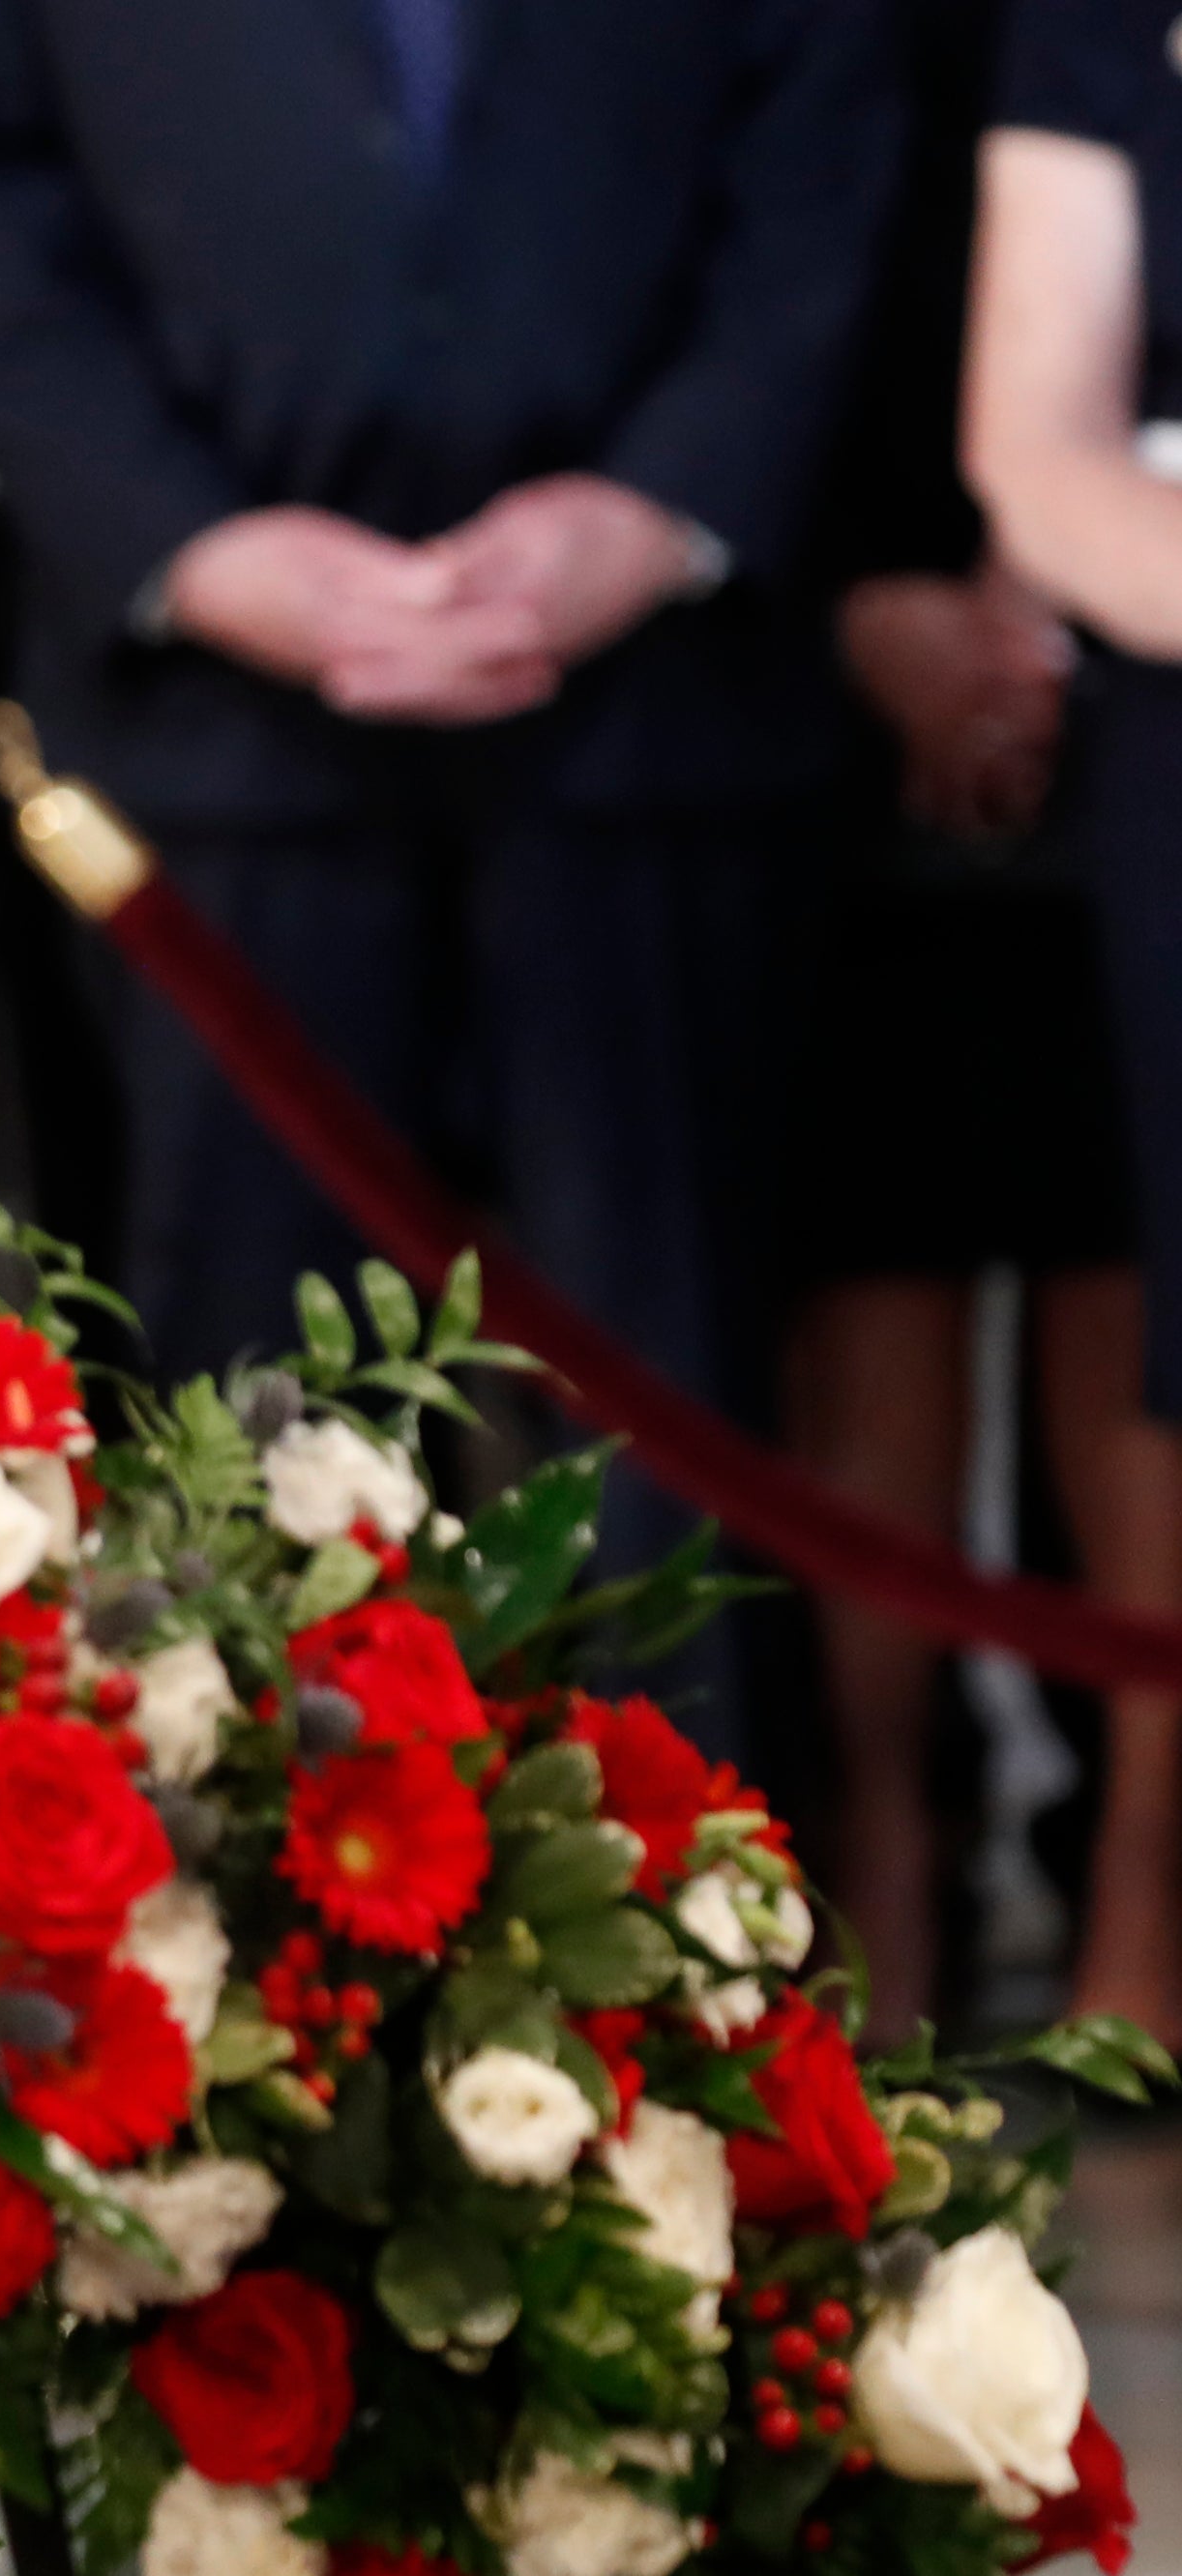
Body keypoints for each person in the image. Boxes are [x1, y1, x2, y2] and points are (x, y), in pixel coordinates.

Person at [0, 0, 901, 1431]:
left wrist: (666, 505)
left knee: (664, 1406)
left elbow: (829, 158)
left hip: (655, 722)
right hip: (213, 734)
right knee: (240, 1404)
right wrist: (184, 541)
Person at [786, 0, 1181, 2040]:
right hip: (810, 643)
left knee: (1134, 1265)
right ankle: (878, 1871)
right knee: (869, 1251)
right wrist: (864, 606)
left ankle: (1136, 1871)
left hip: (1130, 684)